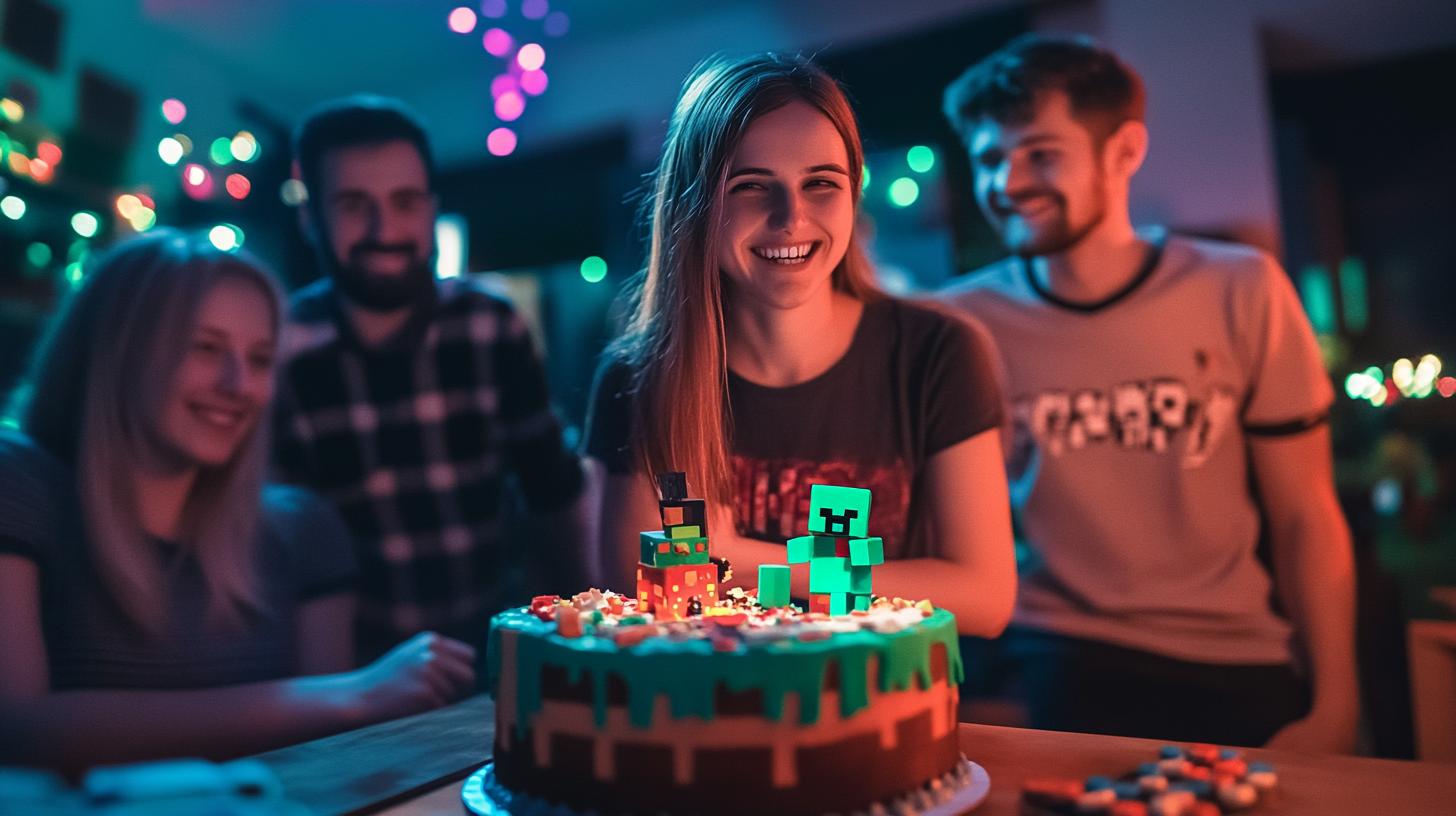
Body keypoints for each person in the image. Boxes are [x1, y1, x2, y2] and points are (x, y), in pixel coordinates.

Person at [939, 34, 1359, 749]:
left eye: (1040, 153)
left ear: (1125, 152)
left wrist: (1340, 705)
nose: (1005, 183)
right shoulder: (959, 324)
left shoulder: (1242, 287)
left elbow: (1305, 515)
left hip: (1236, 651)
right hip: (1057, 650)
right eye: (987, 159)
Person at [0, 232, 474, 772]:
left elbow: (326, 769)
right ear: (117, 348)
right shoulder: (19, 484)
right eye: (205, 348)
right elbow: (19, 729)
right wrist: (351, 694)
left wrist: (348, 700)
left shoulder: (299, 529)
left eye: (260, 359)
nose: (239, 384)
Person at [583, 53, 1017, 636]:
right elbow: (636, 603)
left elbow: (985, 599)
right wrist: (858, 580)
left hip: (880, 708)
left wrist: (740, 558)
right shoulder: (638, 375)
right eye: (751, 186)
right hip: (705, 715)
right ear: (693, 205)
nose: (791, 218)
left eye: (820, 183)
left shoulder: (938, 351)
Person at [275, 96, 591, 664]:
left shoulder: (488, 324)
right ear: (308, 217)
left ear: (431, 208)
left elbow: (554, 497)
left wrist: (584, 646)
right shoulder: (279, 350)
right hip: (342, 689)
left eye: (405, 201)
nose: (384, 228)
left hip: (494, 668)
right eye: (352, 204)